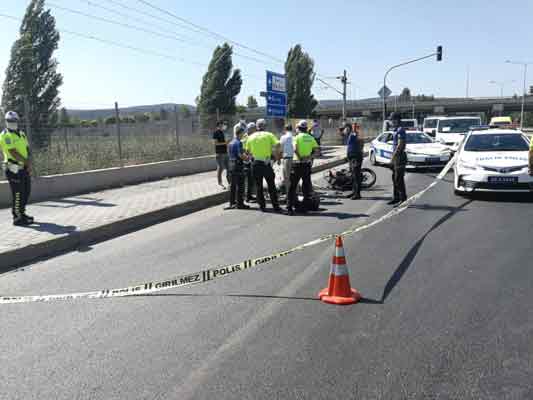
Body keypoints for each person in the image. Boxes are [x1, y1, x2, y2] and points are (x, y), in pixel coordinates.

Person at [0, 111, 34, 226]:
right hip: (13, 168)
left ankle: (22, 213)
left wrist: (28, 162)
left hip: (23, 167)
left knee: (26, 191)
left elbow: (27, 148)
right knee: (18, 193)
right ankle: (17, 217)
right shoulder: (5, 135)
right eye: (9, 121)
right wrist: (26, 162)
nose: (12, 123)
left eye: (14, 120)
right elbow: (12, 152)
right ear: (6, 121)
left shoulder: (22, 133)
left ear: (17, 121)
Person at [244, 119, 282, 212]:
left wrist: (251, 157)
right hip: (266, 163)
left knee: (258, 186)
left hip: (255, 163)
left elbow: (247, 152)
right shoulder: (269, 135)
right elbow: (278, 145)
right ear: (264, 126)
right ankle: (276, 206)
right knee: (271, 185)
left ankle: (262, 206)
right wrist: (277, 158)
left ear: (257, 127)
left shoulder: (251, 137)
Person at [287, 120, 319, 216]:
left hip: (297, 164)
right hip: (307, 164)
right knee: (306, 186)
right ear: (306, 128)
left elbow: (295, 149)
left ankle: (289, 208)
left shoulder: (296, 137)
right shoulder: (310, 138)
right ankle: (304, 208)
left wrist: (300, 157)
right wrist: (309, 157)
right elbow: (317, 151)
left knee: (292, 187)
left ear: (299, 128)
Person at [226, 123, 250, 210]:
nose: (243, 135)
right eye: (243, 134)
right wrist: (247, 158)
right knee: (240, 185)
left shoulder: (230, 143)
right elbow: (240, 155)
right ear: (239, 134)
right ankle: (240, 204)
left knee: (233, 185)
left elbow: (229, 154)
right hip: (238, 165)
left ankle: (232, 203)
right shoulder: (239, 143)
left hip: (231, 164)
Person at [388, 112, 407, 205]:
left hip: (399, 157)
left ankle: (402, 198)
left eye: (391, 120)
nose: (390, 121)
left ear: (396, 120)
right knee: (394, 178)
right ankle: (396, 197)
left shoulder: (400, 130)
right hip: (396, 157)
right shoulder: (395, 130)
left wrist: (393, 156)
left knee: (398, 179)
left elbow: (400, 144)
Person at [346, 124, 363, 200]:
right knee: (353, 176)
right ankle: (354, 192)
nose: (345, 130)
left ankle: (357, 194)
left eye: (346, 128)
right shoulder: (351, 134)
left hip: (356, 157)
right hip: (352, 157)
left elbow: (361, 142)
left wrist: (358, 151)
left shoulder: (355, 134)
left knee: (356, 176)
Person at [212, 120, 229, 188]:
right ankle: (220, 183)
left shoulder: (222, 132)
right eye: (223, 124)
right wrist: (225, 143)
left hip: (225, 152)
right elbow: (215, 143)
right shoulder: (216, 132)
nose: (224, 126)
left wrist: (227, 143)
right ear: (219, 125)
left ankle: (230, 182)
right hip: (219, 153)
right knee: (221, 168)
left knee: (228, 168)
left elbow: (225, 142)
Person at [243, 122, 257, 202]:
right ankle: (247, 197)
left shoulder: (250, 136)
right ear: (251, 129)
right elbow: (245, 149)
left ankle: (249, 195)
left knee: (251, 180)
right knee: (248, 180)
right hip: (247, 161)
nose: (255, 130)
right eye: (254, 128)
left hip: (251, 159)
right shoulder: (246, 137)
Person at [279, 124, 294, 195]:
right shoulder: (295, 136)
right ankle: (295, 194)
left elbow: (281, 149)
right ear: (292, 129)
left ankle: (288, 195)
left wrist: (278, 159)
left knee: (287, 178)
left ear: (285, 129)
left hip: (287, 159)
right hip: (295, 159)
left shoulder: (283, 137)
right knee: (294, 178)